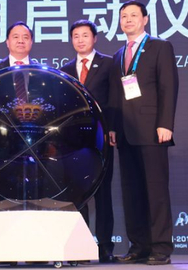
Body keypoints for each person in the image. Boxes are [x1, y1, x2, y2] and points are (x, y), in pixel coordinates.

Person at [108, 0, 179, 266]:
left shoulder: (160, 46)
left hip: (152, 130)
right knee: (132, 192)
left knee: (156, 191)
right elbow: (116, 94)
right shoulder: (118, 54)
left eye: (133, 15)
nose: (128, 20)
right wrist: (113, 127)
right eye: (123, 16)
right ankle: (138, 246)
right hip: (126, 133)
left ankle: (161, 247)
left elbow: (168, 87)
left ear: (145, 19)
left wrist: (165, 123)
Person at [60, 20, 115, 263]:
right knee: (77, 193)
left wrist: (112, 129)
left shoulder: (109, 64)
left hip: (101, 138)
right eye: (76, 36)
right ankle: (80, 246)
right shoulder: (65, 69)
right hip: (73, 142)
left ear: (94, 38)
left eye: (85, 35)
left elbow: (115, 100)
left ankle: (105, 246)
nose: (80, 40)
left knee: (103, 194)